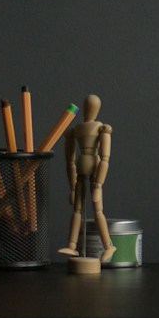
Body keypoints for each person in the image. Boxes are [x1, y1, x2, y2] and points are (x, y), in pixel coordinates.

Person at [58, 93, 114, 263]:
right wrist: (72, 186)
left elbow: (105, 157)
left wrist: (98, 183)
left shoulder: (102, 128)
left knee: (98, 212)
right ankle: (72, 245)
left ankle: (108, 246)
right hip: (80, 173)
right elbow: (69, 160)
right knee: (77, 210)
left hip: (95, 172)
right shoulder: (77, 129)